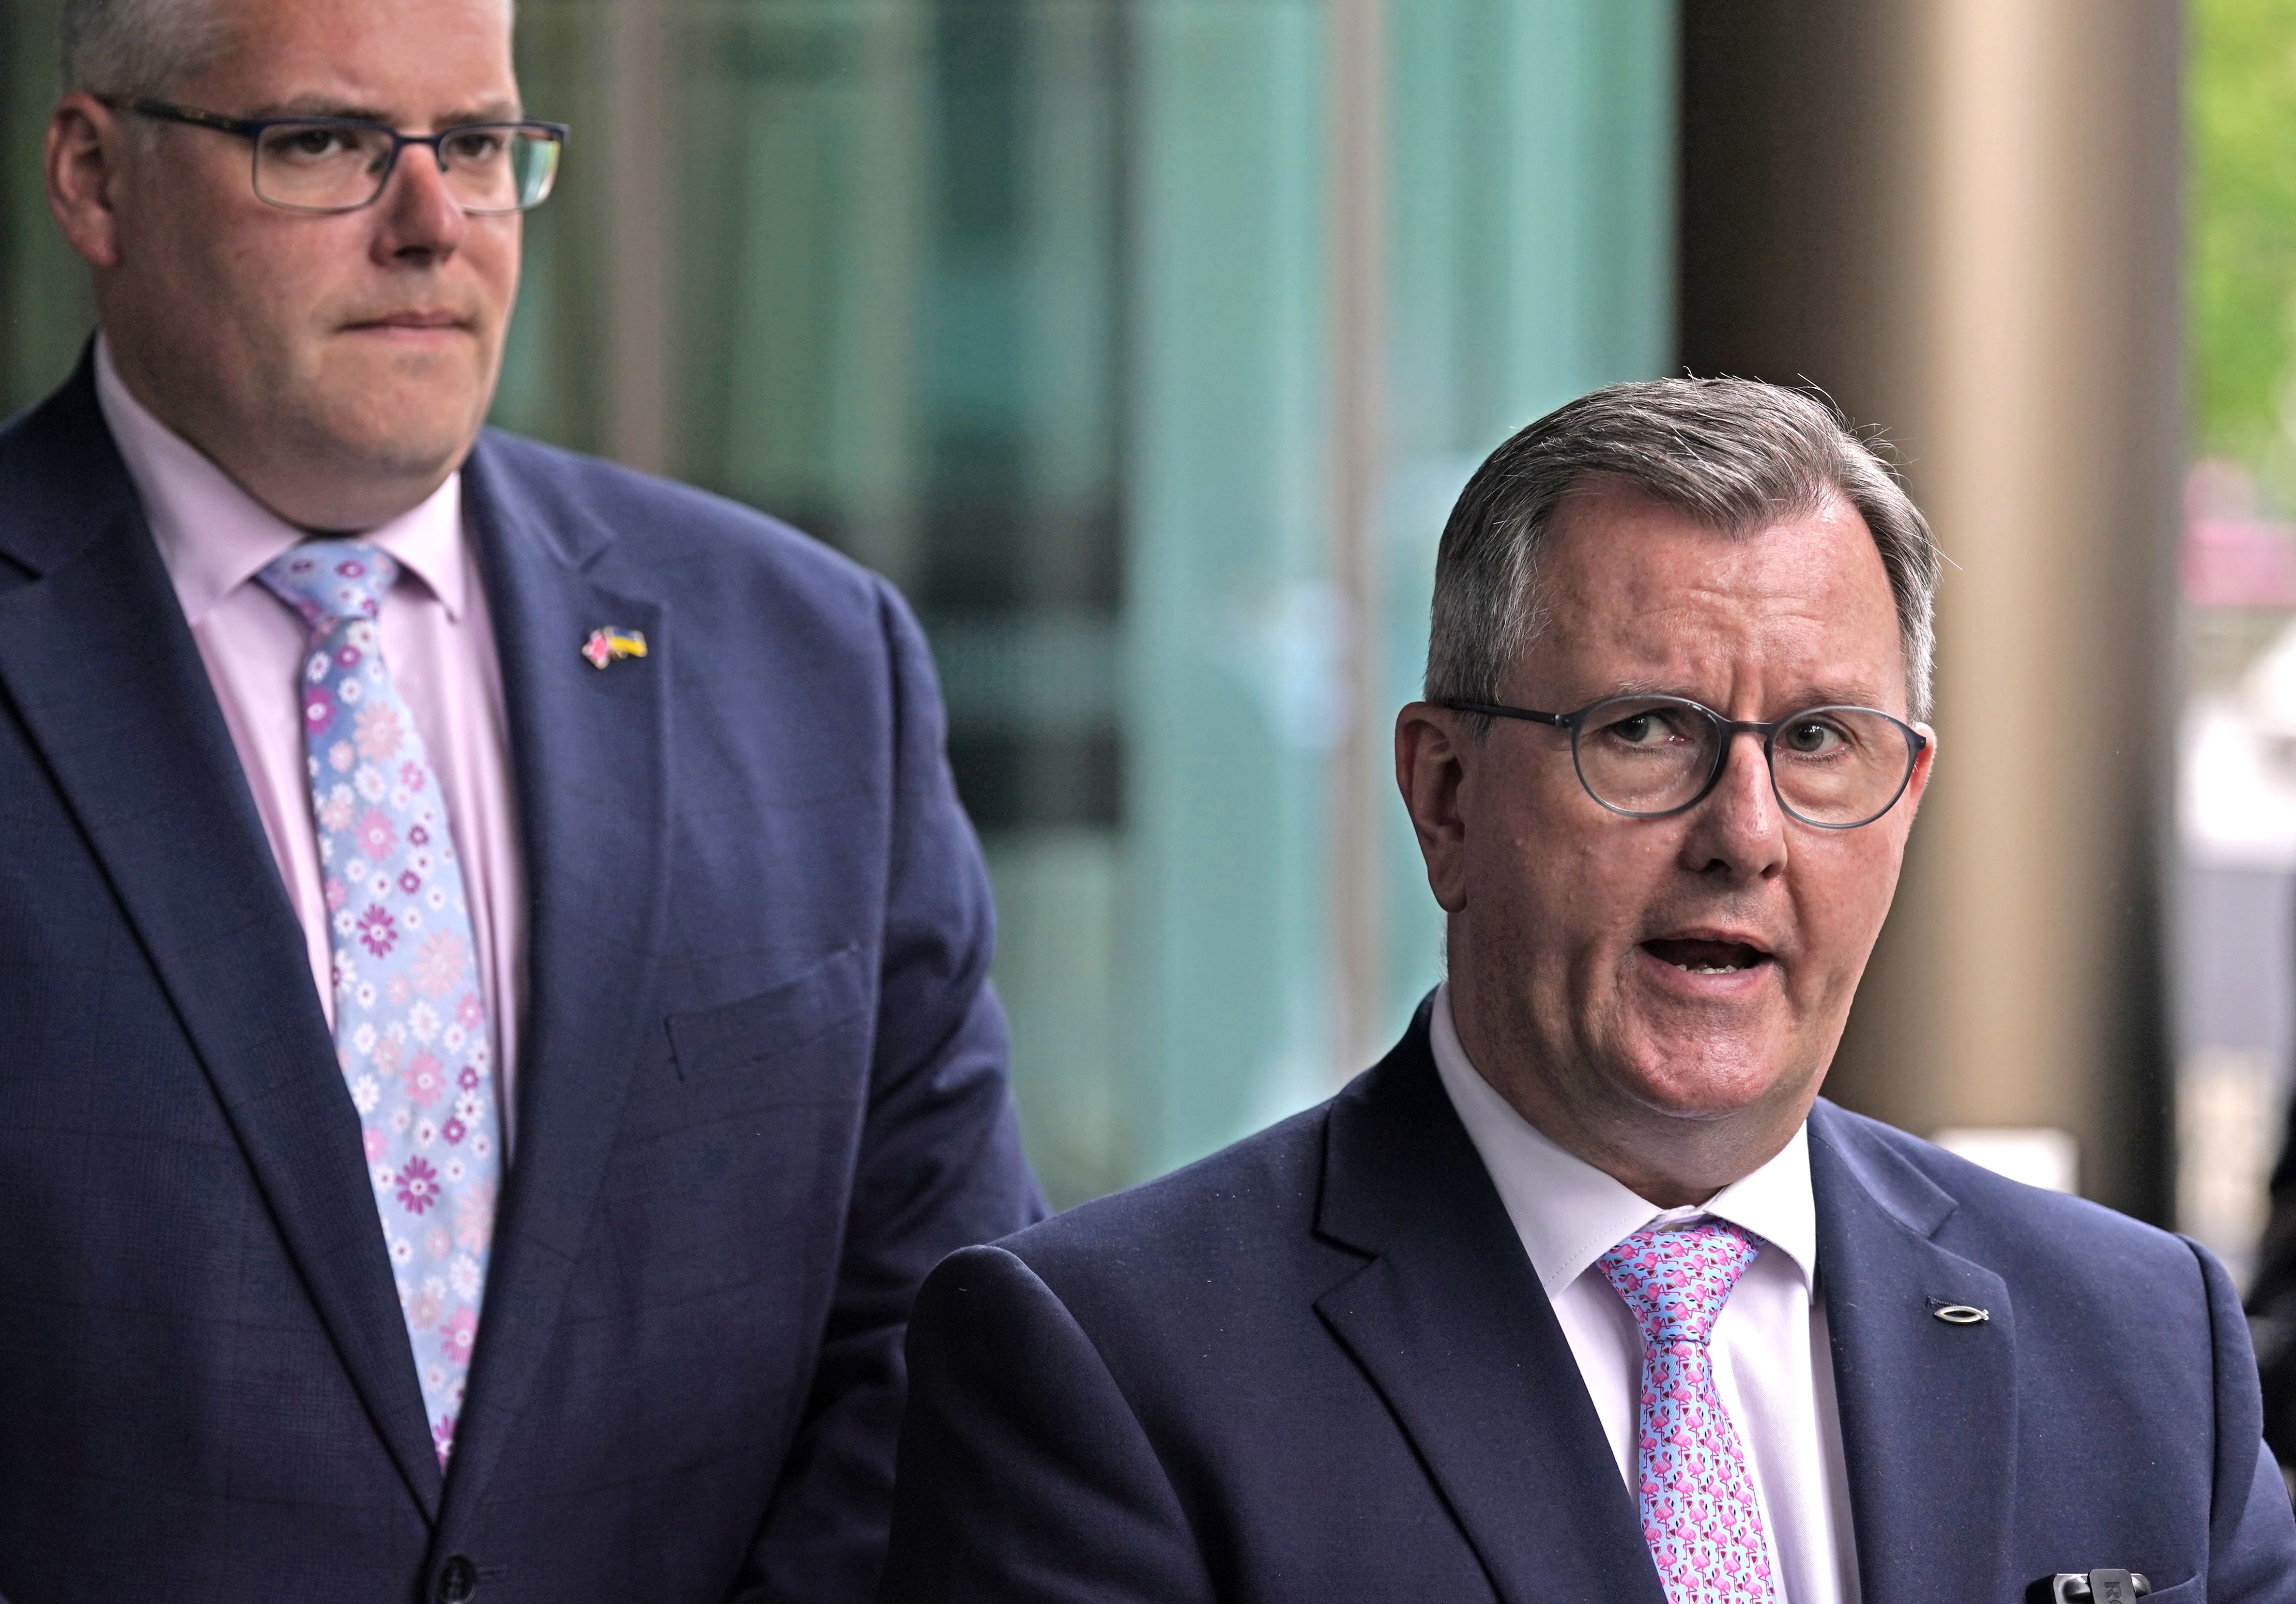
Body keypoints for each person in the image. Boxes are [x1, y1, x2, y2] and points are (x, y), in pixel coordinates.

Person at [0, 0, 1041, 1604]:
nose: (432, 224)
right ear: (94, 177)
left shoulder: (812, 667)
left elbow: (940, 1359)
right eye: (325, 143)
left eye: (481, 145)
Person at [882, 378, 2296, 1603]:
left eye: (1818, 741)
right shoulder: (1110, 1368)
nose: (1743, 833)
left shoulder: (2142, 1342)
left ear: (1906, 802)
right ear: (1444, 796)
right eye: (1644, 732)